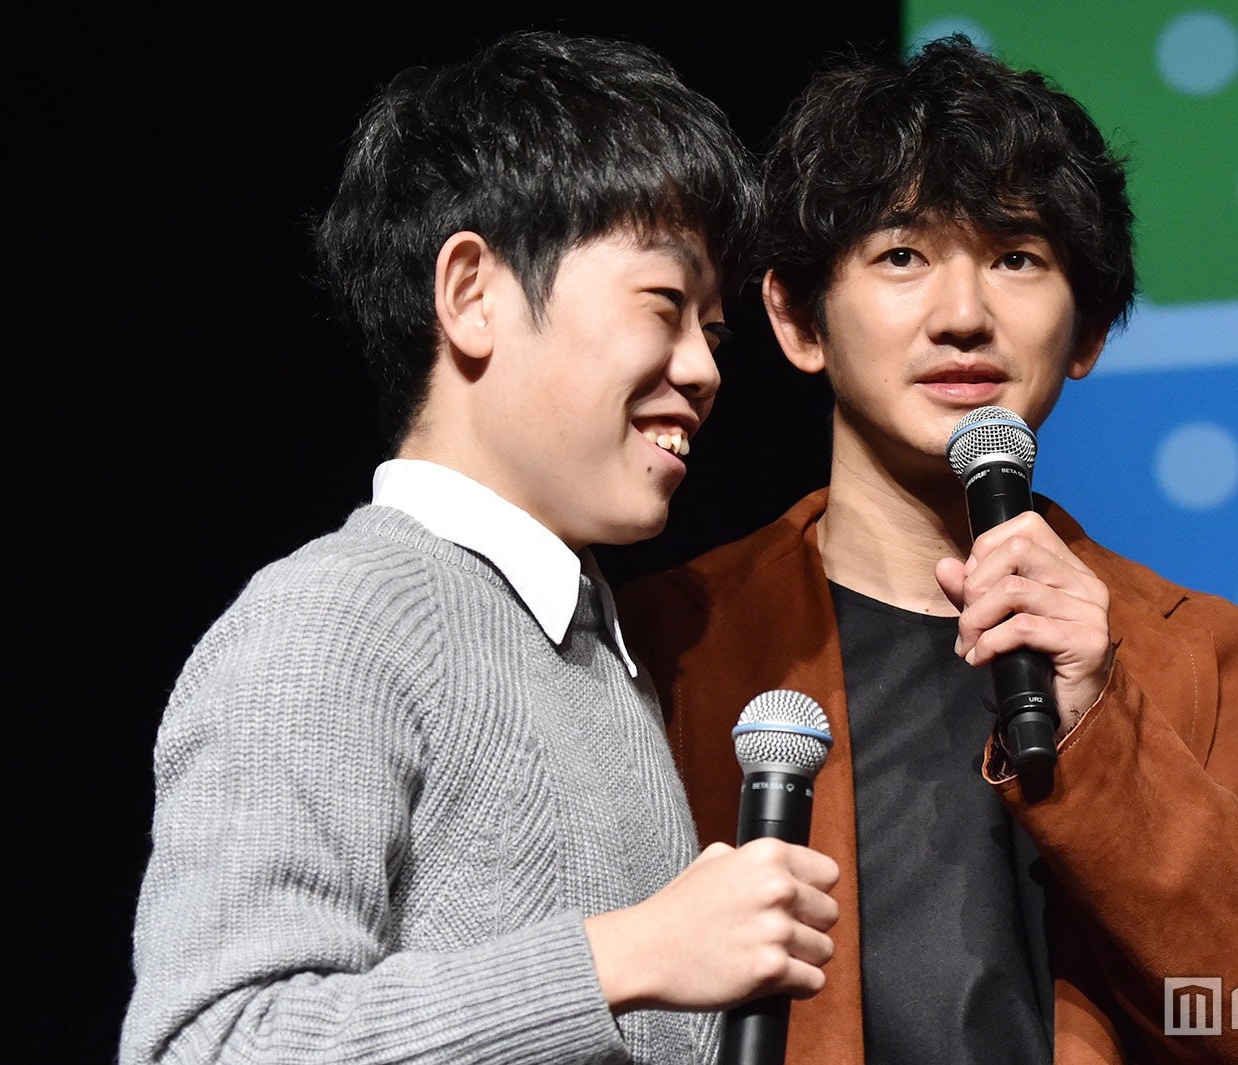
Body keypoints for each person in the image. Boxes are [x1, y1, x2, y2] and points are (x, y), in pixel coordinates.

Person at [619, 36, 1238, 1064]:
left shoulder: (1221, 666)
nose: (963, 317)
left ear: (1088, 331)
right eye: (902, 256)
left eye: (1017, 259)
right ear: (798, 318)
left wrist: (1106, 735)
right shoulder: (668, 644)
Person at [120, 31, 840, 1065]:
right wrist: (623, 955)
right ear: (471, 294)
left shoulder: (598, 651)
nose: (702, 368)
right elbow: (213, 1042)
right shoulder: (329, 621)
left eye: (713, 331)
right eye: (664, 305)